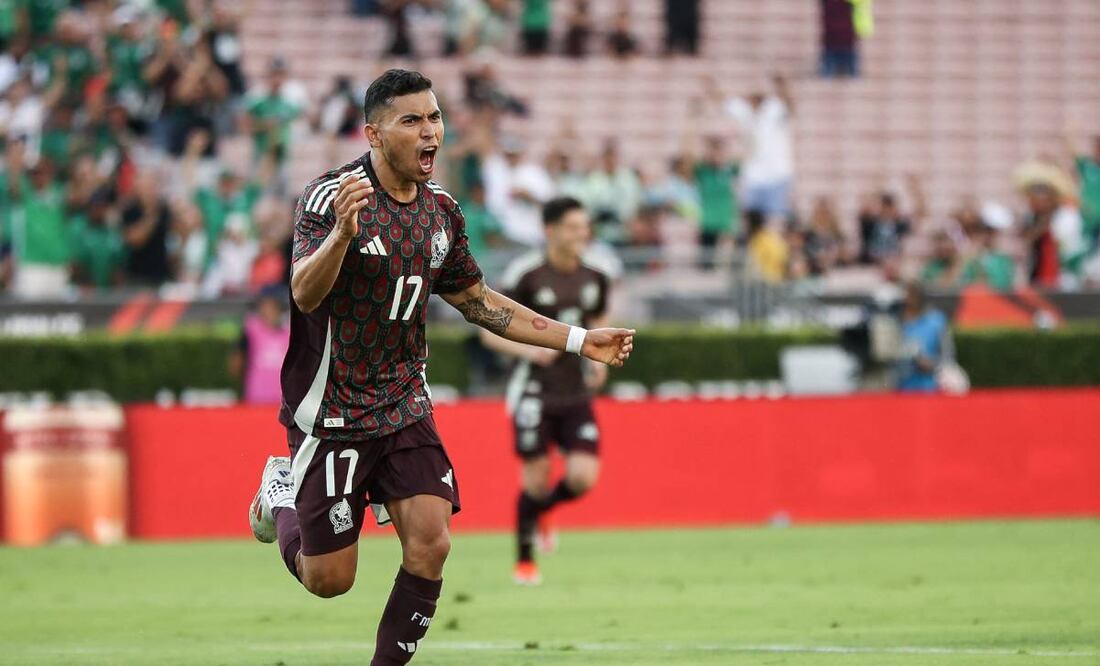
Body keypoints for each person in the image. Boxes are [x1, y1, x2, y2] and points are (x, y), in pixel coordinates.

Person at [247, 69, 635, 666]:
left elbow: (481, 303)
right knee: (330, 580)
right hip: (331, 413)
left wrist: (581, 340)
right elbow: (303, 292)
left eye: (434, 118)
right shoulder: (331, 198)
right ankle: (281, 491)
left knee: (431, 544)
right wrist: (340, 239)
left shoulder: (442, 214)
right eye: (412, 121)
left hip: (404, 405)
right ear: (373, 134)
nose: (430, 132)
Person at [480, 196, 610, 585]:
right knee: (535, 477)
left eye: (584, 226)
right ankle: (525, 560)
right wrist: (529, 350)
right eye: (572, 227)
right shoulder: (527, 274)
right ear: (550, 231)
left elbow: (599, 321)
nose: (581, 234)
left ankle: (540, 513)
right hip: (533, 390)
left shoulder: (595, 278)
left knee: (583, 476)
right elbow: (489, 330)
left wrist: (600, 359)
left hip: (574, 391)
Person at [709, 74, 796, 219]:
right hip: (753, 174)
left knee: (776, 218)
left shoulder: (773, 109)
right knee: (751, 218)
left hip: (777, 172)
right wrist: (710, 86)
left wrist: (782, 87)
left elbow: (790, 107)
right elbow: (723, 101)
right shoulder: (744, 112)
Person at [232, 285, 291, 405]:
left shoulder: (289, 332)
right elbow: (236, 363)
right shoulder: (251, 329)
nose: (267, 310)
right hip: (256, 397)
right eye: (264, 305)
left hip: (282, 399)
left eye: (272, 306)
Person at [897, 281, 951, 392]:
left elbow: (948, 356)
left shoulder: (937, 320)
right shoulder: (896, 321)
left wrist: (932, 364)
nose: (910, 299)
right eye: (908, 295)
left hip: (929, 386)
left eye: (914, 295)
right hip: (899, 387)